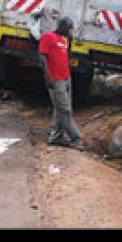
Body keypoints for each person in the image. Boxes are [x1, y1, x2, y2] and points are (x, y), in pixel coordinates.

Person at [39, 17, 84, 151]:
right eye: (70, 28)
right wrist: (48, 77)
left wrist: (69, 39)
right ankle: (76, 138)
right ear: (63, 26)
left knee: (60, 109)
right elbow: (42, 57)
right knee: (65, 110)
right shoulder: (48, 36)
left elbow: (67, 56)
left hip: (66, 78)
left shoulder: (63, 40)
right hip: (55, 79)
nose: (71, 30)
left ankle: (55, 137)